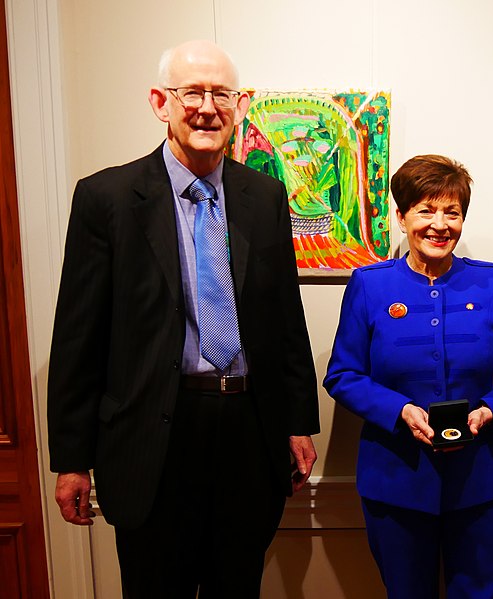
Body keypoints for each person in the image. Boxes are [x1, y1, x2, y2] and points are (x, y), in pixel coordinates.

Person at [47, 40, 319, 598]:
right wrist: (72, 459)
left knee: (237, 586)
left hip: (248, 432)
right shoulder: (107, 198)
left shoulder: (264, 196)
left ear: (239, 104)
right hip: (152, 439)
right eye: (191, 92)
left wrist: (298, 421)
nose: (206, 107)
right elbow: (79, 336)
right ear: (159, 102)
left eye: (221, 94)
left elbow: (285, 319)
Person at [324, 154, 493, 599]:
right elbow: (343, 374)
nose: (439, 224)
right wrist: (399, 409)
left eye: (452, 212)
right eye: (426, 210)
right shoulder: (369, 285)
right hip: (396, 479)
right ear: (401, 215)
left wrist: (490, 410)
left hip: (480, 480)